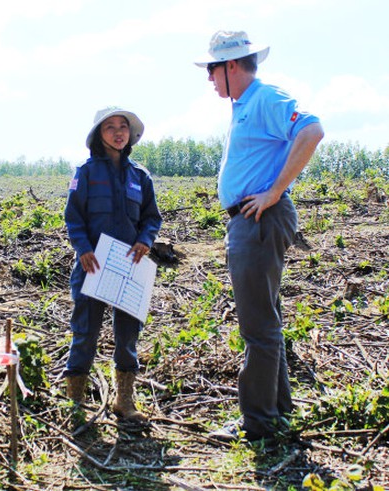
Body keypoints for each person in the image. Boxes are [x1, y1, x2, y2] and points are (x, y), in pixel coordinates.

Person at [194, 31, 324, 442]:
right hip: (250, 221)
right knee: (266, 319)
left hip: (259, 220)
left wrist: (274, 191)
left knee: (257, 325)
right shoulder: (244, 105)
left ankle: (258, 424)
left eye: (213, 70)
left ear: (232, 66)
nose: (210, 79)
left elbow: (311, 131)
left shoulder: (265, 96)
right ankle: (277, 410)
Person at [63, 107, 162, 425]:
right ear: (98, 134)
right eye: (110, 127)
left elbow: (151, 217)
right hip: (93, 267)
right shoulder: (86, 172)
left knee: (127, 336)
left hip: (129, 269)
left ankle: (124, 401)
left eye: (123, 127)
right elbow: (73, 217)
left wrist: (146, 239)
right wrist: (83, 248)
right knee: (85, 334)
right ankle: (75, 404)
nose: (118, 132)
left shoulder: (140, 176)